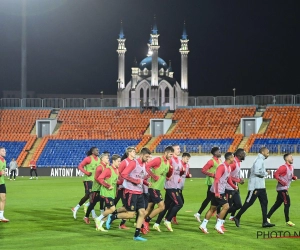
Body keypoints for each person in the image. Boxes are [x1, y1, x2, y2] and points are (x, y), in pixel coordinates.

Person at [107, 147, 151, 241]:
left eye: (149, 157)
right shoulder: (133, 163)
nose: (148, 158)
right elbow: (124, 174)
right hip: (131, 192)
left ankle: (136, 236)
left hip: (139, 192)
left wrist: (146, 183)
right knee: (131, 214)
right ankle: (113, 216)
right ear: (142, 155)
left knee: (142, 212)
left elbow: (141, 178)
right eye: (146, 157)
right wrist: (135, 181)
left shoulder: (144, 165)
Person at [233, 147, 275, 228]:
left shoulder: (261, 160)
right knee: (248, 203)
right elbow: (256, 171)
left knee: (264, 203)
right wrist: (266, 173)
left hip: (261, 186)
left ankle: (265, 222)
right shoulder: (259, 160)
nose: (268, 154)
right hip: (255, 187)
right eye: (267, 152)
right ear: (262, 152)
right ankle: (237, 217)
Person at [199, 152, 236, 234]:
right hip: (218, 190)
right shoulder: (221, 167)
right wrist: (216, 192)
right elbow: (216, 179)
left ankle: (203, 225)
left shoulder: (228, 167)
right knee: (226, 207)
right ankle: (218, 225)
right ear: (229, 158)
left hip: (218, 190)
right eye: (233, 157)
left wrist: (233, 186)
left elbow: (228, 178)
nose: (234, 159)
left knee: (213, 208)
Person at [144, 146, 174, 233]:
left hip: (158, 188)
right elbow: (147, 167)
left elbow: (167, 176)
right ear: (166, 152)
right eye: (170, 154)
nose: (171, 156)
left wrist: (171, 170)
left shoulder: (168, 162)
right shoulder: (158, 160)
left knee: (149, 207)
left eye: (172, 155)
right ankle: (146, 221)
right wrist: (153, 176)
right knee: (162, 207)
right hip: (154, 188)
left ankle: (141, 223)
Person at [267, 153, 297, 226]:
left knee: (277, 204)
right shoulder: (283, 167)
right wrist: (282, 182)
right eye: (291, 157)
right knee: (287, 203)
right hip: (282, 189)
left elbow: (290, 175)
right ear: (286, 159)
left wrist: (293, 177)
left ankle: (267, 217)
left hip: (284, 188)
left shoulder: (291, 167)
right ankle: (287, 221)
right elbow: (275, 175)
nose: (292, 158)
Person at [194, 147, 222, 222]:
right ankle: (199, 214)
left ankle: (200, 214)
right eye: (219, 152)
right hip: (212, 182)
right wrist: (212, 175)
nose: (220, 153)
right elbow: (203, 170)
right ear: (215, 153)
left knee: (215, 199)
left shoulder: (220, 160)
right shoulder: (211, 161)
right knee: (213, 198)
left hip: (217, 183)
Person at [94, 154, 121, 231]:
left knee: (107, 210)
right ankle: (98, 219)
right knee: (112, 209)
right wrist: (107, 185)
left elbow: (115, 182)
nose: (120, 163)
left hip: (111, 193)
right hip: (106, 193)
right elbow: (100, 178)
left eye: (120, 161)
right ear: (114, 161)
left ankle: (99, 226)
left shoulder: (117, 170)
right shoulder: (108, 169)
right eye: (118, 161)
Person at [72, 147, 100, 219]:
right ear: (93, 152)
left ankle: (76, 208)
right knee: (90, 196)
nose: (98, 151)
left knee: (91, 196)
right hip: (88, 180)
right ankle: (92, 214)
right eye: (96, 150)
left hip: (95, 181)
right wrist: (86, 172)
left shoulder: (99, 159)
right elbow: (80, 166)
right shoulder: (88, 158)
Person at [83, 152, 110, 224]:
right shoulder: (100, 167)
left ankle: (104, 217)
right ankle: (86, 217)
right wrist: (105, 184)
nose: (108, 159)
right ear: (102, 159)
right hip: (96, 189)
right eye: (107, 158)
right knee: (92, 204)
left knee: (105, 202)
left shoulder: (106, 166)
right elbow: (97, 178)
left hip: (102, 188)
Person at [114, 146, 136, 229]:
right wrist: (119, 184)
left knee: (127, 206)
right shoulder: (124, 162)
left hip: (130, 188)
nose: (135, 153)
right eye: (133, 151)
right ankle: (106, 218)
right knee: (125, 206)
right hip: (122, 187)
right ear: (129, 153)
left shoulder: (134, 162)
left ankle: (120, 222)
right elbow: (118, 172)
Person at [223, 148, 246, 225]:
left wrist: (239, 179)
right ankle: (220, 222)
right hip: (228, 187)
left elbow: (234, 175)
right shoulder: (233, 163)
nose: (245, 155)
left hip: (234, 187)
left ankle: (220, 215)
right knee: (227, 206)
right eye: (243, 154)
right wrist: (238, 180)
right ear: (239, 155)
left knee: (238, 205)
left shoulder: (238, 162)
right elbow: (228, 175)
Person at [171, 152, 192, 224]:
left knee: (175, 203)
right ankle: (170, 217)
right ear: (183, 157)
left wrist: (188, 175)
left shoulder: (187, 165)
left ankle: (170, 217)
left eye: (188, 159)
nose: (187, 160)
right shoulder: (178, 164)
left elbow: (185, 175)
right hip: (176, 186)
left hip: (180, 187)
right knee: (179, 203)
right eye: (186, 159)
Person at [0, 147, 9, 222]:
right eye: (3, 151)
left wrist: (3, 173)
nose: (5, 152)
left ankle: (1, 216)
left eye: (5, 151)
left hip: (1, 182)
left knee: (3, 198)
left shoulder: (4, 161)